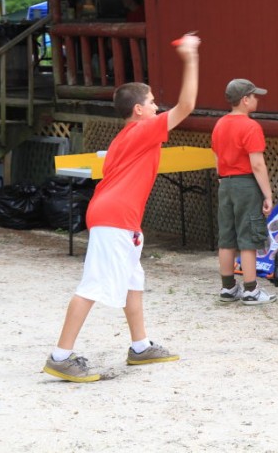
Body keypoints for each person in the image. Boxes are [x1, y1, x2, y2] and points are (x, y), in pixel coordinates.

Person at [42, 33, 200, 383]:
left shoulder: (124, 136)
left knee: (132, 283)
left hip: (117, 217)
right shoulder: (142, 131)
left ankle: (140, 347)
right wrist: (190, 57)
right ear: (138, 110)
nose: (157, 107)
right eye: (153, 102)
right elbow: (186, 107)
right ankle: (60, 356)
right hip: (115, 218)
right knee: (93, 286)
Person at [212, 79, 276, 305]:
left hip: (225, 183)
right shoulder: (250, 126)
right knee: (248, 237)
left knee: (227, 237)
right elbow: (257, 164)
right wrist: (267, 194)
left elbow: (217, 158)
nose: (257, 99)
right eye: (254, 96)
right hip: (246, 184)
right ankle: (251, 290)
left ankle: (228, 287)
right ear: (245, 100)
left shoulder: (219, 124)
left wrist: (222, 180)